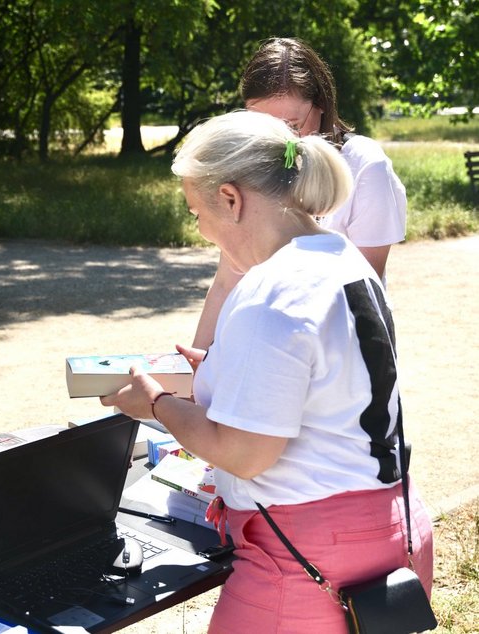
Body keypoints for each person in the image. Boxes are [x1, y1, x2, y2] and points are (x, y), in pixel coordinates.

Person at [102, 110, 433, 632]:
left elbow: (244, 454)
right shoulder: (341, 257)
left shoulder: (273, 291)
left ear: (231, 199)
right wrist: (223, 368)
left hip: (308, 556)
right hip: (391, 529)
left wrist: (157, 404)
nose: (200, 228)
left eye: (196, 211)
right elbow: (326, 378)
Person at [193, 37, 407, 350]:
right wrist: (191, 365)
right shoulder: (255, 167)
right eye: (261, 124)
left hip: (338, 356)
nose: (276, 139)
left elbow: (361, 292)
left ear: (321, 104)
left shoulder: (365, 167)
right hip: (263, 344)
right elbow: (227, 280)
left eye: (291, 124)